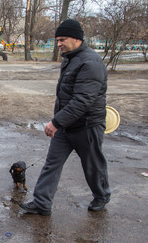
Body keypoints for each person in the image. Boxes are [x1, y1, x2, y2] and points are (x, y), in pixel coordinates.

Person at [19, 19, 111, 215]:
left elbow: (82, 100)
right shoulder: (70, 58)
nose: (58, 43)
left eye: (62, 39)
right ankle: (42, 203)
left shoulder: (91, 62)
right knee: (52, 163)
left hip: (87, 126)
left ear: (77, 39)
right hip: (66, 126)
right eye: (57, 40)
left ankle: (101, 195)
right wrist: (60, 121)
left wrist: (56, 121)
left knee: (93, 166)